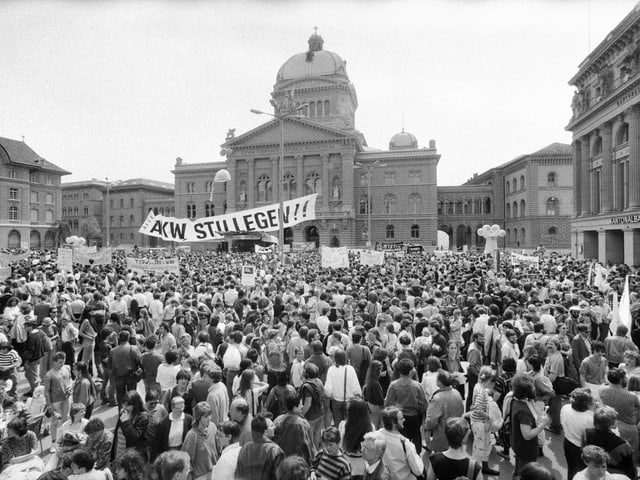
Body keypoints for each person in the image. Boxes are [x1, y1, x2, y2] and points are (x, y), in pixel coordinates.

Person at [384, 358, 427, 454]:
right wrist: (418, 411)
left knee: (402, 439)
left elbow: (389, 403)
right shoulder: (417, 385)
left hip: (399, 417)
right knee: (416, 436)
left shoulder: (394, 385)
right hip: (414, 416)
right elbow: (423, 404)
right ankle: (416, 456)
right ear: (411, 371)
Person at [510, 373, 549, 478]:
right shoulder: (524, 412)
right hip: (526, 449)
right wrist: (543, 425)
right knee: (525, 474)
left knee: (518, 470)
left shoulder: (516, 400)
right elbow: (527, 435)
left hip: (518, 445)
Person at [582, 405, 636, 480]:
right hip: (616, 475)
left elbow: (584, 450)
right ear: (611, 426)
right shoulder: (623, 445)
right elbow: (630, 467)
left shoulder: (586, 433)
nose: (617, 422)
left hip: (593, 470)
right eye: (615, 420)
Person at [600, 368, 640, 463]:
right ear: (621, 380)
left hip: (609, 426)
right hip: (628, 430)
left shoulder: (602, 390)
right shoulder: (632, 397)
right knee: (630, 458)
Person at [377, 407, 424, 480]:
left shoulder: (376, 436)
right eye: (401, 418)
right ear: (393, 423)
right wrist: (418, 458)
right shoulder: (405, 443)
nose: (404, 420)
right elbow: (418, 470)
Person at [424, 370, 464, 453]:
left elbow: (431, 420)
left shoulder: (438, 398)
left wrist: (427, 429)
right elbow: (461, 410)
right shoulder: (456, 393)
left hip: (442, 436)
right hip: (456, 433)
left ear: (440, 382)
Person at [468, 365, 498, 476]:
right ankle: (472, 473)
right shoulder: (481, 391)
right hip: (479, 423)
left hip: (479, 422)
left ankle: (484, 468)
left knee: (485, 446)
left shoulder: (478, 386)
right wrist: (489, 417)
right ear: (489, 379)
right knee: (478, 449)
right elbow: (478, 408)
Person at [235, 414, 285, 480]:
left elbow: (238, 474)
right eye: (271, 426)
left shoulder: (245, 448)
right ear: (265, 431)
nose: (274, 427)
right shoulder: (275, 451)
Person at [560, 388, 595, 480]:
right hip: (582, 448)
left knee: (571, 468)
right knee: (582, 473)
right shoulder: (590, 418)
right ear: (586, 404)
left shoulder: (565, 408)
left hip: (567, 442)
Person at [43, 351, 73, 452]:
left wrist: (70, 388)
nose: (62, 364)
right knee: (55, 422)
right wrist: (49, 406)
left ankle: (64, 440)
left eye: (63, 361)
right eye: (60, 362)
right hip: (55, 401)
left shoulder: (67, 368)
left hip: (65, 398)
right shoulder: (49, 375)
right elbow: (46, 392)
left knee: (65, 419)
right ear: (54, 362)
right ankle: (53, 443)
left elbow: (69, 381)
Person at [181, 401, 218, 480]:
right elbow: (186, 460)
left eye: (210, 415)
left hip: (214, 473)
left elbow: (217, 449)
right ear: (198, 418)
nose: (209, 419)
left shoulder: (213, 427)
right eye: (205, 416)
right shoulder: (192, 435)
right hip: (200, 476)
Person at [273, 392, 314, 463]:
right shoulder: (303, 423)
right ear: (295, 407)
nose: (302, 406)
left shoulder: (277, 420)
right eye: (301, 404)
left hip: (281, 461)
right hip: (297, 461)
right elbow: (309, 446)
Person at [324, 349, 362, 427]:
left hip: (336, 400)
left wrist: (330, 395)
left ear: (335, 359)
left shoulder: (331, 370)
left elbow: (327, 389)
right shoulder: (350, 369)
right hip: (349, 400)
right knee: (349, 424)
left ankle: (339, 437)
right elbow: (356, 386)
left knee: (338, 423)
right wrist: (358, 395)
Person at [337, 399, 372, 480]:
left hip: (346, 465)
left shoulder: (343, 425)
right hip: (363, 466)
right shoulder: (370, 428)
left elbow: (340, 447)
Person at [112, 391, 149, 461]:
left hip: (131, 457)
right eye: (123, 404)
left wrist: (126, 421)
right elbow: (117, 433)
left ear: (135, 405)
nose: (124, 407)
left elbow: (134, 438)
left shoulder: (142, 417)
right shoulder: (124, 413)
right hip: (119, 452)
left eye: (128, 405)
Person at [109, 330, 142, 406]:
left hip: (118, 377)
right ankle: (133, 413)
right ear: (128, 338)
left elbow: (110, 365)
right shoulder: (134, 348)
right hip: (131, 376)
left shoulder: (112, 351)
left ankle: (121, 414)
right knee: (132, 397)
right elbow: (140, 361)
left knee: (120, 397)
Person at [298, 362, 325, 451]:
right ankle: (316, 452)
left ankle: (312, 454)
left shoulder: (307, 386)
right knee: (317, 433)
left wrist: (301, 414)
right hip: (320, 413)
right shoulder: (319, 381)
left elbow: (308, 404)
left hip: (311, 416)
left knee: (309, 437)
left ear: (307, 374)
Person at [363, 360, 385, 429]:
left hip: (370, 405)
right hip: (376, 407)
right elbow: (379, 400)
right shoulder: (375, 383)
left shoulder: (369, 379)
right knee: (376, 427)